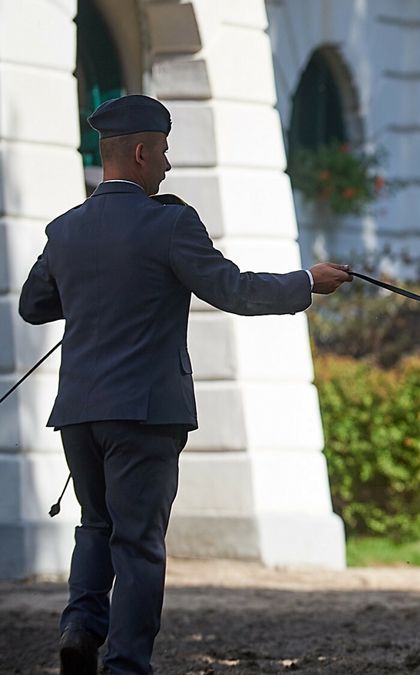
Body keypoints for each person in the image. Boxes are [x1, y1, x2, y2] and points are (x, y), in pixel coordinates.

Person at [18, 94, 354, 675]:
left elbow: (33, 305)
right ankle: (125, 667)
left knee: (95, 526)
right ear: (143, 152)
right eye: (166, 152)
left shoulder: (65, 228)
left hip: (78, 412)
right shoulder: (171, 222)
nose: (168, 166)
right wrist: (307, 282)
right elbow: (234, 291)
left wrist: (92, 291)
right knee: (140, 544)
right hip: (146, 414)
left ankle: (79, 627)